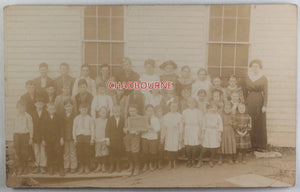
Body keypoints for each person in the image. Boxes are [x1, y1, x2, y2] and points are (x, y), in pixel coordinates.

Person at [245, 59, 268, 152]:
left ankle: (259, 145)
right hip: (249, 100)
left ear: (259, 68)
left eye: (257, 66)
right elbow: (244, 91)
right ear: (251, 67)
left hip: (259, 100)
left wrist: (264, 105)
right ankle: (248, 145)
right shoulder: (247, 77)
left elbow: (266, 93)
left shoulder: (263, 78)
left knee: (259, 123)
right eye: (253, 66)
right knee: (250, 121)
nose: (255, 68)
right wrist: (244, 103)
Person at [198, 103, 223, 168]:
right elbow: (203, 125)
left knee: (214, 148)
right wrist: (202, 134)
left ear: (217, 109)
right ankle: (200, 160)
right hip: (207, 132)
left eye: (215, 108)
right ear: (209, 108)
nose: (213, 109)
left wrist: (219, 135)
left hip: (215, 133)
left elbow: (220, 126)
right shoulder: (206, 115)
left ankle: (211, 160)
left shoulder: (218, 116)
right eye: (211, 108)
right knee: (204, 147)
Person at [161, 99, 183, 169]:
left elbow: (181, 127)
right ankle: (170, 162)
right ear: (169, 107)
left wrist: (180, 136)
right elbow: (163, 128)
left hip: (176, 134)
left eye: (175, 107)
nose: (174, 108)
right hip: (169, 134)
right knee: (169, 148)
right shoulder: (166, 116)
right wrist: (162, 137)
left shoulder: (180, 116)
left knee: (175, 148)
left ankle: (174, 161)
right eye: (172, 106)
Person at [73, 103, 95, 174]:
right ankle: (81, 166)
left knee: (87, 152)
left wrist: (92, 138)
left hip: (87, 136)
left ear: (87, 110)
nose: (83, 111)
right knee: (80, 152)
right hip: (79, 136)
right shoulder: (76, 118)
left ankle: (86, 166)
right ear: (79, 110)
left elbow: (92, 129)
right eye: (82, 110)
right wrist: (75, 139)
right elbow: (74, 129)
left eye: (85, 110)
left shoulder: (89, 118)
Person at [13, 100, 33, 175]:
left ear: (25, 108)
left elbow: (31, 127)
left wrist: (31, 137)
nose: (21, 109)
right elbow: (13, 126)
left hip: (25, 135)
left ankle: (25, 167)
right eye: (20, 107)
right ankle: (20, 166)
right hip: (17, 135)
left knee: (24, 152)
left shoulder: (28, 116)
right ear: (17, 107)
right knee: (18, 151)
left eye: (23, 107)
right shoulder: (15, 116)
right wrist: (14, 137)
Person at [43, 103, 64, 176]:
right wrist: (43, 139)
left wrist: (61, 137)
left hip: (57, 139)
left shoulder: (58, 117)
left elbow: (62, 128)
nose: (51, 110)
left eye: (53, 109)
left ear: (55, 110)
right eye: (50, 109)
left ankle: (60, 168)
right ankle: (51, 168)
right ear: (47, 109)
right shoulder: (45, 118)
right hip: (48, 139)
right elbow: (43, 129)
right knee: (49, 153)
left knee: (59, 153)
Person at [123, 105, 144, 175]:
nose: (132, 112)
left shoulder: (140, 118)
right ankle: (131, 165)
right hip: (129, 135)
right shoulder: (128, 119)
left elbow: (143, 128)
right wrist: (125, 130)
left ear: (137, 111)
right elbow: (124, 128)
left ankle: (137, 167)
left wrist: (138, 131)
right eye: (130, 111)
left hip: (136, 135)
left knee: (135, 151)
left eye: (134, 111)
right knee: (128, 149)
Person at [182, 97, 203, 167]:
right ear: (187, 104)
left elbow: (200, 123)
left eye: (193, 102)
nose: (191, 104)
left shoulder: (198, 112)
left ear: (195, 103)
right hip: (187, 128)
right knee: (188, 145)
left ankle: (193, 160)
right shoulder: (184, 112)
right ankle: (189, 160)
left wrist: (199, 132)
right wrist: (183, 132)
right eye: (189, 102)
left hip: (195, 129)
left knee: (194, 145)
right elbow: (183, 123)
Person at [106, 105, 125, 173]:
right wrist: (107, 139)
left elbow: (124, 129)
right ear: (113, 112)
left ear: (120, 112)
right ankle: (112, 166)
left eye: (118, 112)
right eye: (115, 112)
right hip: (112, 139)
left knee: (118, 152)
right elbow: (107, 129)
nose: (117, 113)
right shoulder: (110, 119)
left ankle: (118, 165)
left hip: (120, 138)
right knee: (112, 153)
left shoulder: (123, 119)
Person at [141, 105, 160, 171]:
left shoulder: (155, 119)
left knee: (152, 152)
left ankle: (151, 164)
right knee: (145, 152)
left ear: (153, 111)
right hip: (145, 136)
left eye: (151, 110)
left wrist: (152, 128)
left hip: (153, 137)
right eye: (148, 110)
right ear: (145, 111)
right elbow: (140, 128)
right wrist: (144, 129)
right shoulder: (143, 118)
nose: (150, 112)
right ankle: (146, 164)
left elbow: (158, 129)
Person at [31, 97, 47, 174]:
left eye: (41, 104)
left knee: (43, 151)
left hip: (43, 136)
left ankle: (42, 166)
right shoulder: (32, 114)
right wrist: (32, 137)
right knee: (36, 151)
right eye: (38, 104)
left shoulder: (46, 113)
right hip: (35, 135)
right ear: (35, 104)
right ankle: (37, 165)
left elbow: (47, 126)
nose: (39, 105)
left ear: (43, 105)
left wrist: (45, 138)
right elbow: (31, 126)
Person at [62, 99, 77, 174]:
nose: (68, 108)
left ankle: (73, 167)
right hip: (65, 137)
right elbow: (61, 127)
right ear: (64, 107)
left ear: (73, 106)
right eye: (67, 106)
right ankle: (66, 166)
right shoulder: (62, 115)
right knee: (66, 152)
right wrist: (61, 137)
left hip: (72, 137)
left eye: (70, 106)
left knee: (72, 152)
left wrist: (75, 137)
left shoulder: (75, 115)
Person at [94, 107, 109, 173]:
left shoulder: (107, 120)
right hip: (97, 139)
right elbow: (93, 129)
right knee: (98, 153)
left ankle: (104, 165)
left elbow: (108, 130)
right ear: (99, 113)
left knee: (104, 153)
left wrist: (107, 139)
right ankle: (99, 165)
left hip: (104, 139)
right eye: (102, 112)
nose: (104, 114)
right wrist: (94, 137)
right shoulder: (96, 120)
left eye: (105, 113)